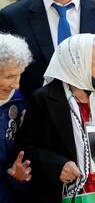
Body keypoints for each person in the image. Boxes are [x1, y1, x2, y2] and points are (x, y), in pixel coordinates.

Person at [16, 30, 95, 202]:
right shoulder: (43, 98)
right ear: (79, 64)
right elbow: (25, 150)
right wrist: (57, 166)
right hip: (62, 195)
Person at [0, 33, 33, 203]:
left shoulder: (21, 104)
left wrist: (17, 176)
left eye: (19, 75)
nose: (16, 84)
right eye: (9, 77)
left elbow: (20, 162)